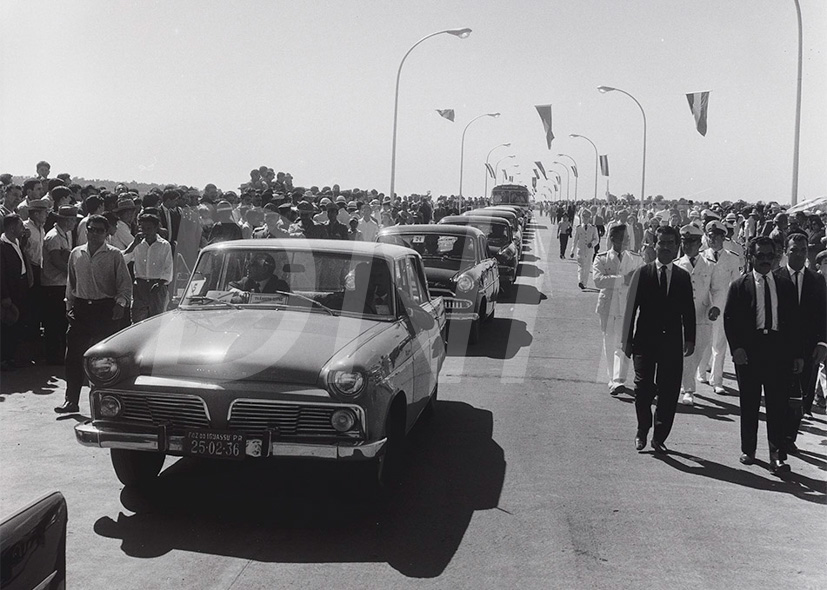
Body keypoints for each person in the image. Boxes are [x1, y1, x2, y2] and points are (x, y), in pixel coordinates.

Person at [723, 236, 803, 474]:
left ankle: (777, 456)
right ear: (751, 257)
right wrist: (736, 348)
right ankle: (749, 449)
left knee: (777, 405)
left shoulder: (785, 285)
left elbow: (795, 323)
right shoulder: (739, 286)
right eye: (761, 256)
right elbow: (730, 320)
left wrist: (797, 354)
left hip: (778, 351)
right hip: (749, 351)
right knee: (749, 402)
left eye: (771, 256)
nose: (766, 261)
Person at [623, 225, 696, 453]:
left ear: (677, 248)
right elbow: (630, 309)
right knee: (642, 388)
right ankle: (642, 429)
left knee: (669, 390)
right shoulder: (642, 273)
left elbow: (689, 311)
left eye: (670, 244)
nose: (665, 247)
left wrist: (690, 339)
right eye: (661, 243)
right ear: (655, 246)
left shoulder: (683, 277)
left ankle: (660, 435)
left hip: (672, 343)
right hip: (645, 341)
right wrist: (626, 341)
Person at [56, 214, 132, 413]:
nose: (95, 233)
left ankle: (104, 405)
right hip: (81, 309)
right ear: (86, 230)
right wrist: (68, 307)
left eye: (100, 230)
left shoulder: (115, 255)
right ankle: (71, 401)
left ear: (107, 233)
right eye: (91, 229)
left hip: (104, 309)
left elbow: (124, 285)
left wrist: (120, 305)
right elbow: (71, 284)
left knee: (104, 361)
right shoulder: (76, 253)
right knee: (73, 356)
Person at [777, 233, 826, 452]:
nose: (798, 254)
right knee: (779, 394)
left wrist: (822, 344)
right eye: (794, 249)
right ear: (786, 251)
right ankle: (777, 438)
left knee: (800, 396)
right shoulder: (775, 277)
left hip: (808, 348)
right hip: (779, 346)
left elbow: (824, 314)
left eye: (803, 250)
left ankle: (790, 438)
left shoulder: (817, 280)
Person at [592, 224, 643, 395]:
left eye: (627, 239)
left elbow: (642, 280)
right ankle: (612, 379)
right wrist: (623, 279)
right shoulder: (602, 258)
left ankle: (619, 379)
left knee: (624, 344)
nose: (626, 242)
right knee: (610, 343)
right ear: (612, 239)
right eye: (622, 238)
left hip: (627, 306)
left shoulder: (636, 259)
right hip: (608, 307)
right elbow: (598, 281)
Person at [674, 224, 717, 405]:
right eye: (684, 242)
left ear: (699, 243)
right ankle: (688, 389)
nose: (688, 246)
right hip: (682, 318)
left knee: (698, 352)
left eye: (691, 242)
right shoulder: (676, 265)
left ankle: (686, 384)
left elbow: (716, 290)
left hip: (702, 315)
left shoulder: (710, 265)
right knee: (686, 353)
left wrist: (715, 307)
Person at [698, 220, 742, 395]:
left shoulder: (732, 258)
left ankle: (717, 381)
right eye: (710, 236)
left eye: (717, 236)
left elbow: (736, 283)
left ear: (724, 238)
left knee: (719, 344)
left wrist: (734, 305)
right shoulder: (701, 256)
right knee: (704, 340)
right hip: (704, 303)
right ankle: (701, 372)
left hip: (723, 304)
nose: (713, 239)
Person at [41, 205, 78, 364]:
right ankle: (52, 356)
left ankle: (57, 354)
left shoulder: (65, 234)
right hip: (53, 284)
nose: (75, 223)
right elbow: (57, 261)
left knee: (60, 321)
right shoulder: (54, 237)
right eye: (73, 220)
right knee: (54, 322)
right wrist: (73, 272)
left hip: (61, 283)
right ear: (67, 220)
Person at [123, 212, 173, 322]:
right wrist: (133, 245)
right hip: (140, 285)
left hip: (157, 286)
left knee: (157, 320)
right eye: (143, 228)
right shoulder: (138, 244)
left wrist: (160, 283)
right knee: (138, 319)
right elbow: (124, 260)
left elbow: (168, 267)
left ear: (156, 228)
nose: (146, 231)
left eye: (149, 228)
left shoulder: (164, 245)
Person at [1, 214, 32, 370]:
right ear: (12, 228)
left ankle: (14, 356)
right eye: (21, 226)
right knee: (8, 325)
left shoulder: (17, 241)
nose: (23, 228)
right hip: (10, 290)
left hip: (21, 287)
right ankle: (5, 358)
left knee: (19, 323)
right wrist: (4, 296)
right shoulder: (2, 246)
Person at [572, 210, 599, 289]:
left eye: (587, 217)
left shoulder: (593, 228)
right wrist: (572, 251)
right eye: (584, 217)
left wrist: (592, 243)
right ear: (581, 217)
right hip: (580, 250)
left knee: (587, 267)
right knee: (581, 266)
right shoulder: (579, 228)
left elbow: (596, 239)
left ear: (589, 218)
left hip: (589, 250)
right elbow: (575, 240)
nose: (585, 219)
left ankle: (584, 283)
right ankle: (580, 281)